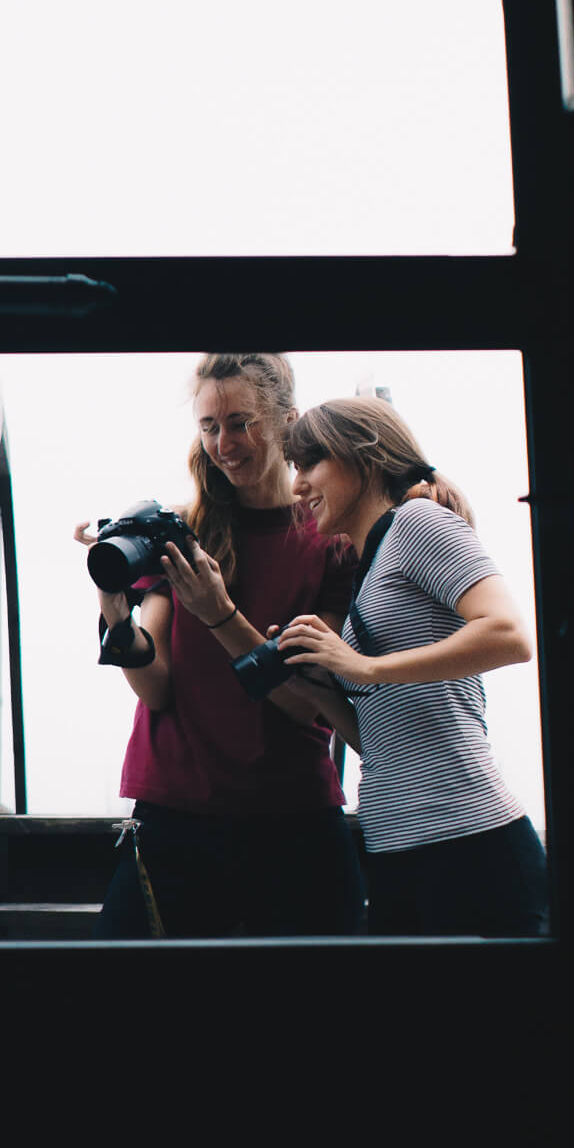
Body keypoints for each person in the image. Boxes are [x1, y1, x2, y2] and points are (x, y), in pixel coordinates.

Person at [80, 351, 365, 939]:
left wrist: (219, 614)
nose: (223, 444)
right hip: (174, 809)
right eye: (209, 426)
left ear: (288, 420)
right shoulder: (183, 532)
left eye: (240, 423)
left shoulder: (332, 540)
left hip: (293, 814)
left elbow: (306, 703)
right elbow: (155, 689)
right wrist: (113, 607)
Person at [275, 395, 549, 937]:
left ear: (364, 455)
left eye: (310, 464)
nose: (297, 486)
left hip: (470, 844)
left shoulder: (417, 523)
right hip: (394, 852)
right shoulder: (369, 566)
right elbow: (385, 740)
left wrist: (363, 667)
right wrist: (321, 689)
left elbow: (510, 635)